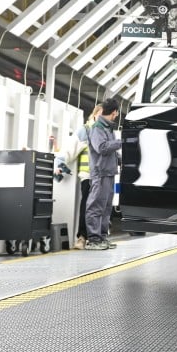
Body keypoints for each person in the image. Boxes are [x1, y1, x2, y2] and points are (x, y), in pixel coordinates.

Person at [54, 104, 102, 250]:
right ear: (94, 115)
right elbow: (69, 148)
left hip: (103, 177)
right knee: (87, 207)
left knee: (100, 209)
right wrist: (59, 163)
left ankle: (97, 237)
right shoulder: (86, 131)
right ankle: (82, 237)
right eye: (101, 115)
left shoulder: (107, 132)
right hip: (88, 176)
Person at [85, 98, 123, 250]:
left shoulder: (108, 128)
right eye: (116, 113)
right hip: (100, 173)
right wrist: (121, 142)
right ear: (114, 113)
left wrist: (121, 160)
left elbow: (110, 151)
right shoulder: (98, 128)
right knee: (95, 206)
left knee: (106, 207)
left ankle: (102, 237)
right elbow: (101, 147)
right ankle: (93, 239)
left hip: (109, 172)